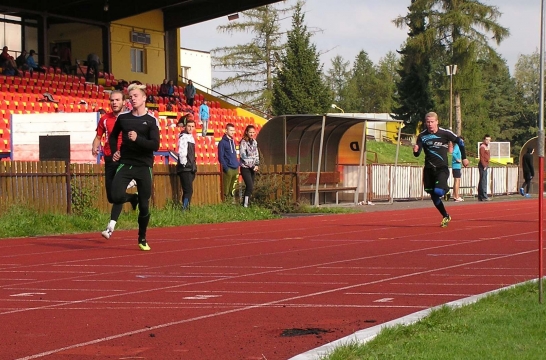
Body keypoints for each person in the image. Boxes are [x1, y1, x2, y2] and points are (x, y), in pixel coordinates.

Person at [109, 83, 160, 251]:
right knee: (115, 196)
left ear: (144, 98)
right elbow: (113, 135)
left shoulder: (151, 121)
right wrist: (115, 151)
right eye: (131, 96)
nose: (133, 98)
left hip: (144, 166)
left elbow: (155, 145)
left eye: (136, 96)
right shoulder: (123, 118)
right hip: (126, 162)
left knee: (145, 206)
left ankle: (142, 237)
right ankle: (133, 198)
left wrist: (137, 138)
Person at [92, 90, 139, 240]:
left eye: (117, 100)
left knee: (117, 194)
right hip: (109, 158)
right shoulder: (105, 119)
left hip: (124, 159)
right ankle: (133, 198)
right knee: (111, 197)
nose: (114, 103)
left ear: (124, 102)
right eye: (112, 100)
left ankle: (110, 227)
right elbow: (98, 136)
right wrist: (94, 146)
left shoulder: (130, 118)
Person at [414, 112, 468, 227]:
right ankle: (445, 215)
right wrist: (416, 150)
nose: (430, 124)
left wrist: (464, 158)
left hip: (441, 168)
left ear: (437, 122)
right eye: (428, 122)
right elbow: (417, 153)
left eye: (432, 122)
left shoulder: (445, 133)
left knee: (438, 191)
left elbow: (460, 142)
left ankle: (446, 189)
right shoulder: (422, 136)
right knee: (433, 195)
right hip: (429, 169)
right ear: (425, 123)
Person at [176, 119, 197, 210]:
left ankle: (186, 208)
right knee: (188, 190)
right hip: (185, 168)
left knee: (187, 190)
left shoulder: (190, 137)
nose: (190, 128)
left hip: (190, 167)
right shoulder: (184, 137)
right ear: (185, 126)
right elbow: (182, 152)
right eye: (189, 126)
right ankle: (184, 209)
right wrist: (184, 164)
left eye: (192, 126)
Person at [239, 125, 260, 207]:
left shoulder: (255, 142)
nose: (251, 134)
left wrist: (257, 164)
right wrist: (252, 166)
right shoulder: (243, 142)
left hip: (253, 167)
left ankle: (248, 202)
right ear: (247, 132)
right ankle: (245, 205)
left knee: (251, 187)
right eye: (250, 132)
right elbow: (243, 156)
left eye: (253, 132)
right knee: (249, 186)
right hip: (246, 167)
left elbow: (256, 154)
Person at [218, 123, 239, 200]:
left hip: (235, 168)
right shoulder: (222, 142)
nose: (232, 132)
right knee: (226, 189)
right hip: (228, 169)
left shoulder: (233, 141)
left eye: (233, 130)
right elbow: (221, 157)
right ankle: (225, 204)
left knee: (233, 189)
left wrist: (237, 164)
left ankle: (232, 204)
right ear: (226, 131)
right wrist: (226, 168)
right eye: (231, 130)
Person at [478, 134, 491, 201]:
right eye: (487, 139)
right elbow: (482, 157)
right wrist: (484, 165)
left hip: (486, 164)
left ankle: (481, 196)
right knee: (483, 181)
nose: (488, 141)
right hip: (483, 165)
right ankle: (484, 195)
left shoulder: (486, 146)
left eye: (489, 140)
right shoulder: (482, 147)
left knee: (482, 180)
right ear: (484, 139)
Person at [450, 137, 464, 202]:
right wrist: (457, 159)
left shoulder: (458, 147)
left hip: (457, 166)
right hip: (456, 166)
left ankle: (454, 195)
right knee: (457, 180)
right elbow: (453, 153)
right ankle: (456, 196)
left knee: (456, 180)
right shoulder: (457, 146)